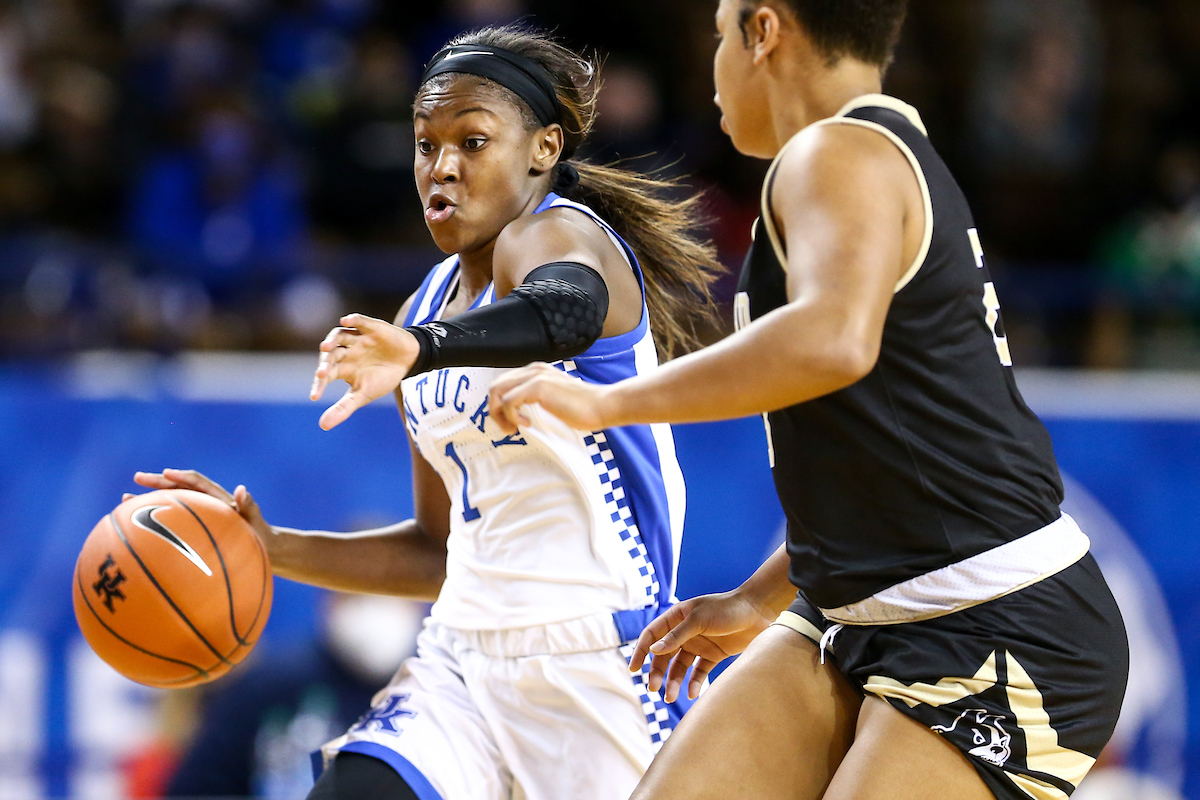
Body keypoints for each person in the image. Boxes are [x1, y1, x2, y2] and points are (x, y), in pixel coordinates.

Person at [488, 2, 1130, 800]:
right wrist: (758, 598)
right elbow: (893, 458)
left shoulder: (838, 152)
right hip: (854, 614)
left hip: (997, 618)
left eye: (720, 32)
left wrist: (605, 404)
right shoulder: (860, 157)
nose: (713, 59)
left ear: (765, 32)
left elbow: (832, 340)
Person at [131, 23, 722, 800]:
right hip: (464, 660)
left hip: (600, 663)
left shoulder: (564, 235)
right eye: (425, 144)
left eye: (472, 143)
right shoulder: (430, 300)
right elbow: (437, 550)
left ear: (543, 149)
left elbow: (564, 309)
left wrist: (419, 347)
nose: (441, 167)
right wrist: (270, 547)